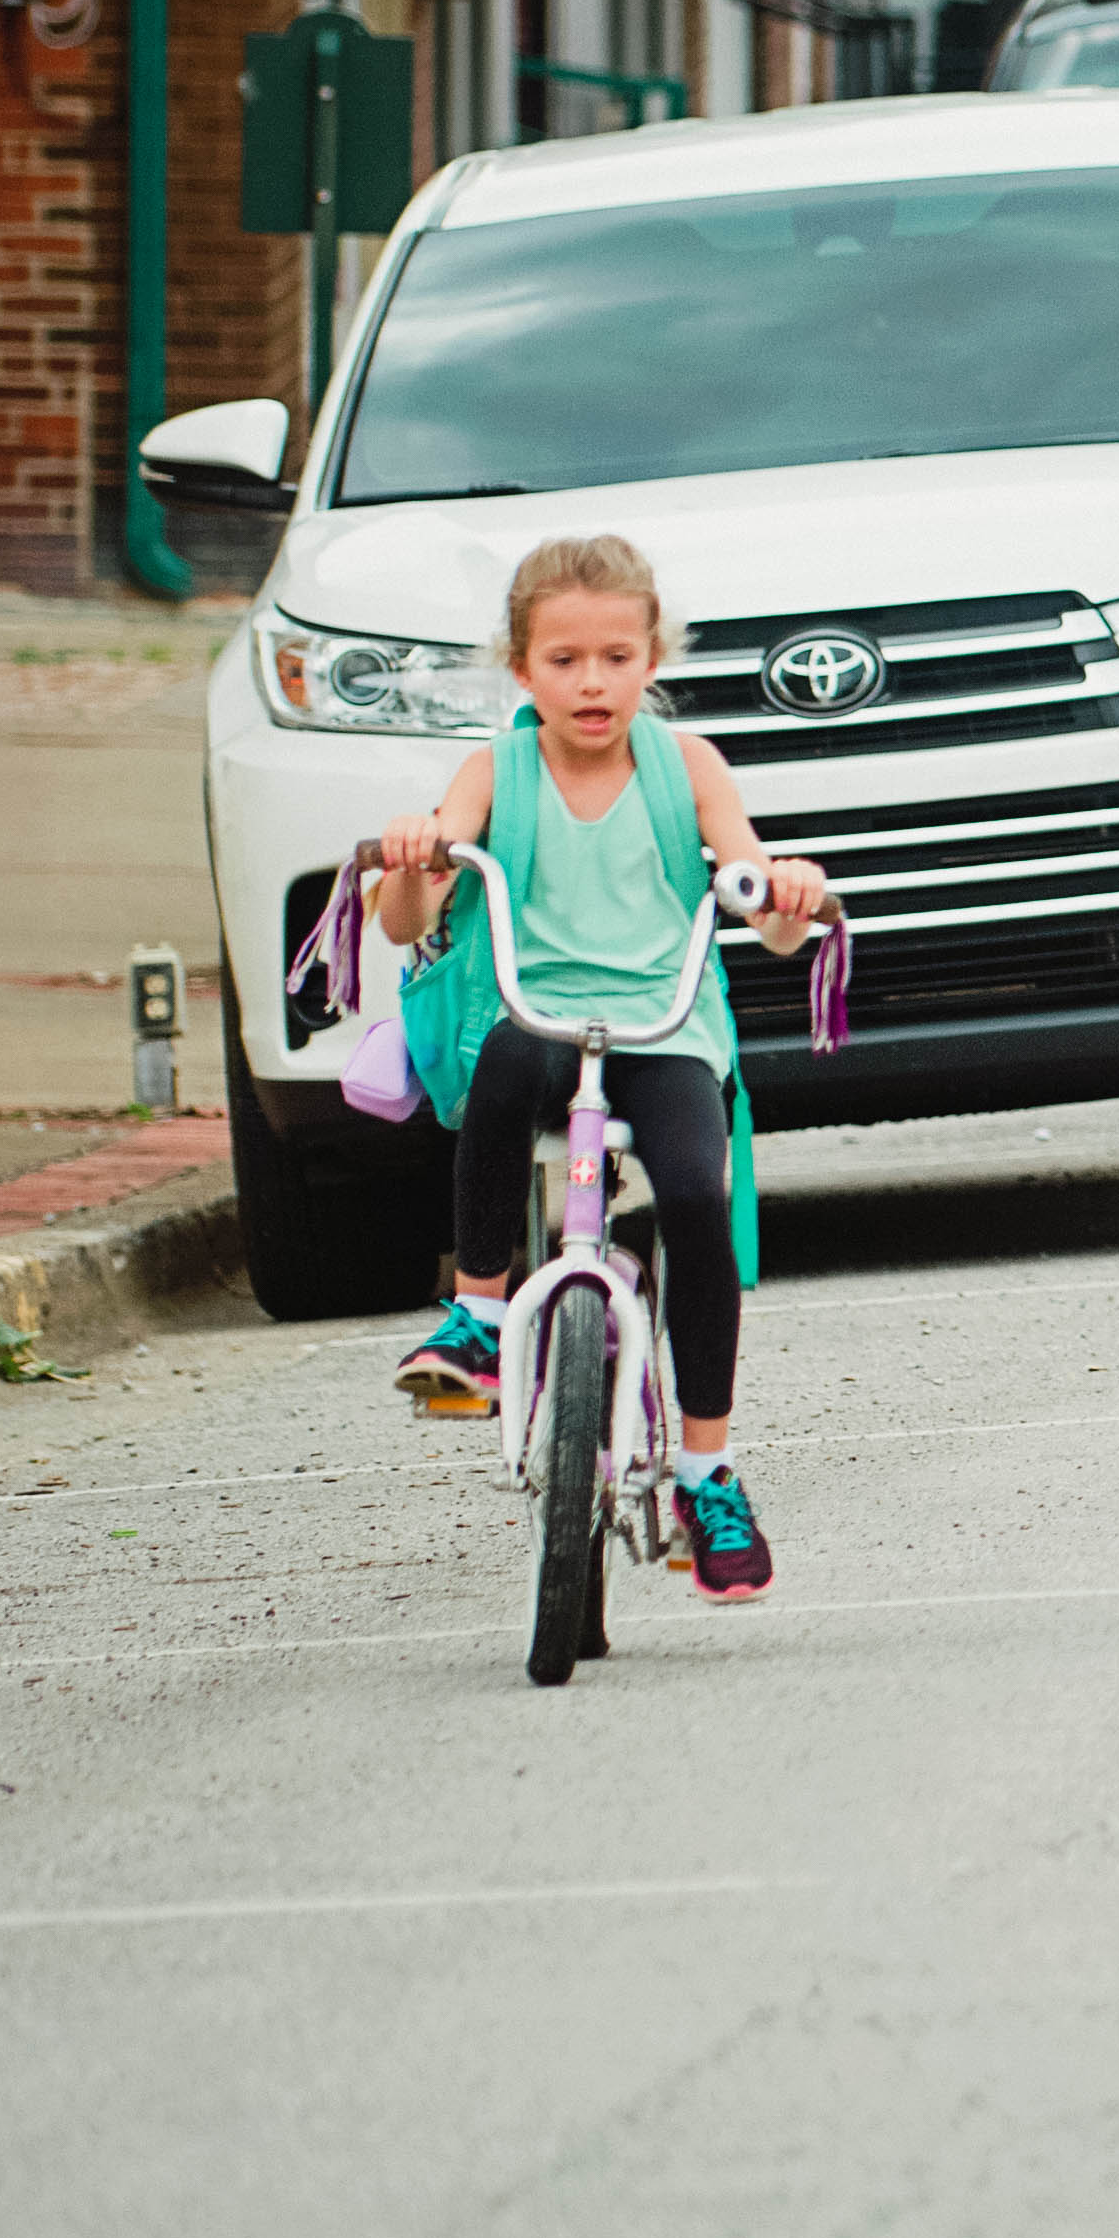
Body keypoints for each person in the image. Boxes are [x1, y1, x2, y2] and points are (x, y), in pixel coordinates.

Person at [371, 533, 837, 1608]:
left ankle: (706, 1471)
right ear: (522, 667)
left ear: (651, 659)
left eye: (617, 657)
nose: (593, 681)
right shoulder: (497, 768)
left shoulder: (690, 768)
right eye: (566, 659)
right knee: (499, 1075)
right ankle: (481, 1317)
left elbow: (755, 899)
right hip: (542, 1018)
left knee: (692, 1196)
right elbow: (413, 914)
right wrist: (414, 859)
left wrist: (786, 890)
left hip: (663, 1032)